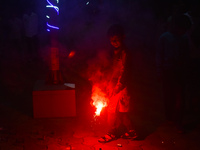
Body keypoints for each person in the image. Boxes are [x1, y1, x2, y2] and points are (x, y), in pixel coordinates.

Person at [98, 24, 137, 143]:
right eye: (111, 41)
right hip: (117, 85)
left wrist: (117, 87)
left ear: (123, 37)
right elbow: (113, 70)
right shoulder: (116, 52)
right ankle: (132, 132)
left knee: (114, 111)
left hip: (123, 87)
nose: (114, 42)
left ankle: (112, 133)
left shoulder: (126, 53)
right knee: (120, 112)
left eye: (116, 40)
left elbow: (125, 71)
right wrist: (109, 83)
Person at [156, 14, 192, 133]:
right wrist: (160, 70)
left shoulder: (184, 38)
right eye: (182, 29)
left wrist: (187, 69)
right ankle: (169, 119)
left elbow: (187, 55)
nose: (184, 31)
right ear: (176, 26)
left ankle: (178, 121)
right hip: (168, 71)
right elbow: (160, 56)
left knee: (180, 97)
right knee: (168, 96)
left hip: (180, 72)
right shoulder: (165, 37)